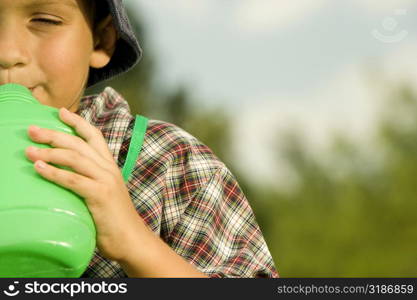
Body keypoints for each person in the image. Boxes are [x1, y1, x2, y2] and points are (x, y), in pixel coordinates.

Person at [1, 0, 279, 278]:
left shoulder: (169, 164)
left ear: (101, 41)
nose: (6, 52)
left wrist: (134, 242)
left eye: (45, 20)